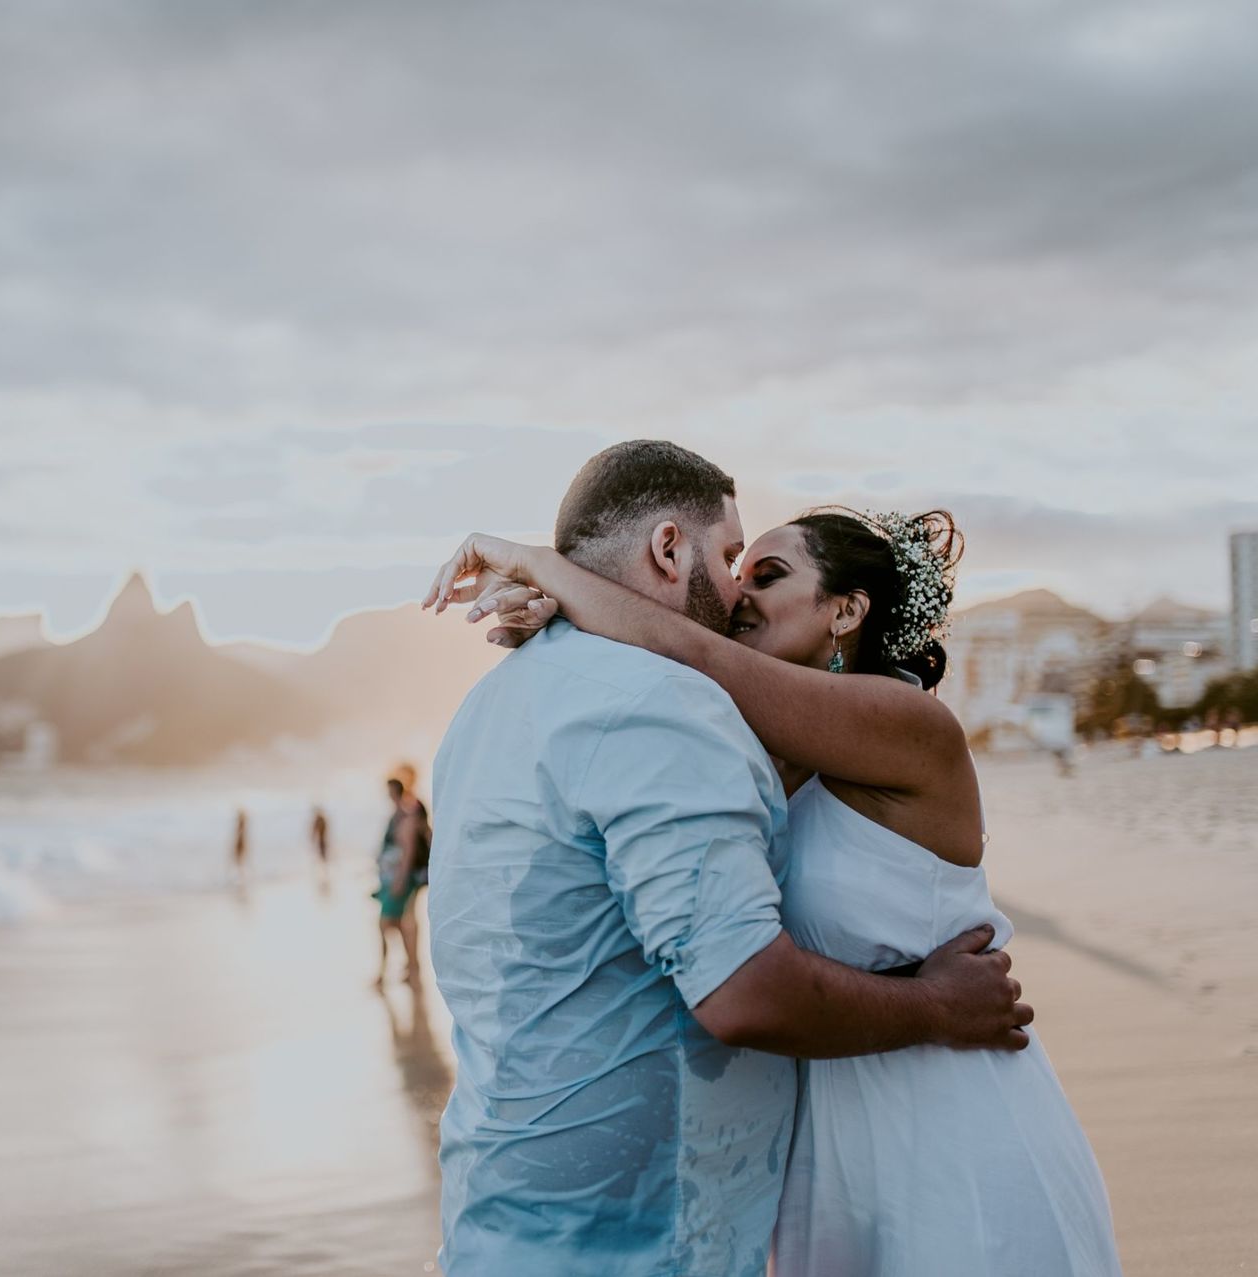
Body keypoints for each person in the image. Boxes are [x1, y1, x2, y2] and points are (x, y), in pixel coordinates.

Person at [428, 442, 1120, 1276]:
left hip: (941, 1112)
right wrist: (567, 610)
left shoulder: (906, 726)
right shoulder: (744, 740)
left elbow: (695, 652)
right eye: (733, 564)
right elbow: (676, 663)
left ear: (845, 610)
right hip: (820, 1151)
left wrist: (549, 569)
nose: (737, 595)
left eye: (765, 574)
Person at [373, 771, 430, 985]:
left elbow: (407, 852)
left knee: (387, 923)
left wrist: (400, 880)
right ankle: (410, 966)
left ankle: (388, 971)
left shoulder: (406, 816)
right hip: (391, 878)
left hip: (399, 879)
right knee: (402, 923)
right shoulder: (398, 815)